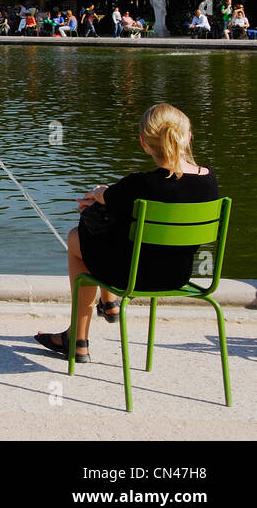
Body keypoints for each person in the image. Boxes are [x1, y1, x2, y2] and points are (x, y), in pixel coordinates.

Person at [34, 104, 218, 363]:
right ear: (188, 135)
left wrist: (98, 194)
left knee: (79, 237)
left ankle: (78, 338)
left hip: (132, 277)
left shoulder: (139, 185)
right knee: (103, 233)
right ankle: (108, 304)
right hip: (179, 276)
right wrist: (107, 197)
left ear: (144, 143)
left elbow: (110, 198)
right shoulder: (210, 181)